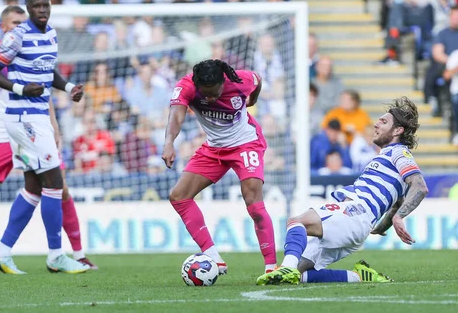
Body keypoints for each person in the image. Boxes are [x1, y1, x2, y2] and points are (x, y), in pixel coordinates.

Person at [0, 5, 97, 271]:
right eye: (14, 23)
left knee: (59, 189)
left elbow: (43, 90)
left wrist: (53, 126)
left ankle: (77, 254)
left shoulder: (32, 50)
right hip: (0, 134)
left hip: (33, 130)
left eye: (22, 22)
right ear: (3, 27)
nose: (20, 27)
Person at [257, 97, 426, 285]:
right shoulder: (387, 158)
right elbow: (398, 203)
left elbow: (419, 186)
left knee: (296, 222)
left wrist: (397, 218)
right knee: (292, 276)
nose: (376, 124)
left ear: (398, 130)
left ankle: (288, 266)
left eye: (383, 121)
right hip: (358, 222)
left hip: (353, 213)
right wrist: (380, 226)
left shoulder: (399, 152)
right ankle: (358, 276)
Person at [0, 0, 90, 274]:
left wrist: (69, 89)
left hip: (37, 115)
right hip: (24, 117)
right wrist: (20, 88)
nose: (42, 10)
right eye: (37, 6)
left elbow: (47, 70)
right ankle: (56, 255)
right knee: (55, 183)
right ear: (29, 9)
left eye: (46, 5)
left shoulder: (51, 34)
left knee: (33, 187)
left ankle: (2, 251)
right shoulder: (17, 35)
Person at [162, 59, 277, 277]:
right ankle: (213, 257)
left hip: (246, 143)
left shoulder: (240, 80)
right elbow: (176, 115)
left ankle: (271, 267)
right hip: (214, 148)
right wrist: (169, 143)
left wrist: (252, 99)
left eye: (215, 93)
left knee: (252, 200)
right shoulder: (186, 87)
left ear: (223, 82)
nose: (211, 99)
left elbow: (257, 80)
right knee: (178, 196)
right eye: (206, 95)